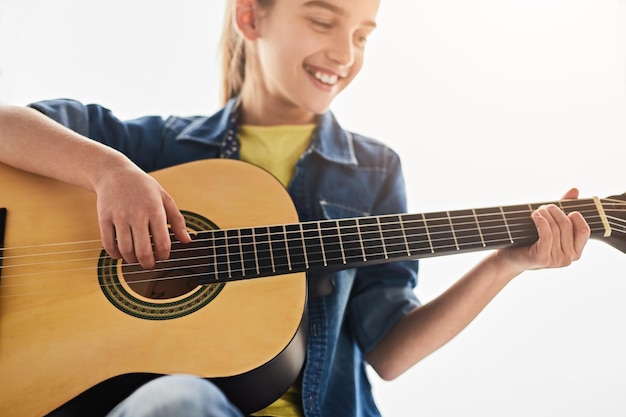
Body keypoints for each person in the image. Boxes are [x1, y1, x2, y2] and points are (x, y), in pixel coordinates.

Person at [0, 0, 591, 416]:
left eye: (363, 34)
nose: (344, 51)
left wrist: (505, 264)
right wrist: (109, 171)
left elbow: (389, 351)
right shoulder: (161, 147)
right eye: (322, 19)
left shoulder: (373, 172)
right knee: (181, 400)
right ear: (251, 15)